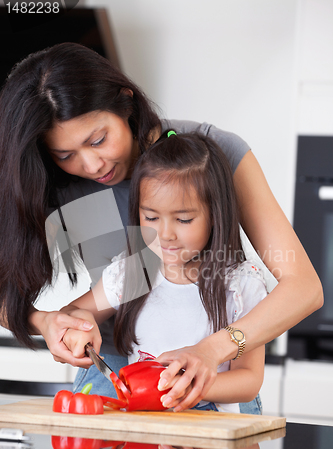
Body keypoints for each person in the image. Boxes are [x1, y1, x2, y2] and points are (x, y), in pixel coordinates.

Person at [0, 43, 323, 411]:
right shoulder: (44, 179)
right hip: (116, 377)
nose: (90, 165)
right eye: (66, 155)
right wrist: (44, 322)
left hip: (211, 375)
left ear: (126, 102)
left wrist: (211, 350)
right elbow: (79, 309)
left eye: (98, 139)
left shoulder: (211, 153)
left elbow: (304, 288)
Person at [59, 131, 267, 413]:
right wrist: (78, 326)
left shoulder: (241, 285)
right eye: (151, 217)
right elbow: (74, 312)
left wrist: (185, 388)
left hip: (209, 431)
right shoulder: (131, 271)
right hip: (143, 427)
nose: (165, 234)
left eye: (183, 219)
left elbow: (249, 381)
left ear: (215, 214)